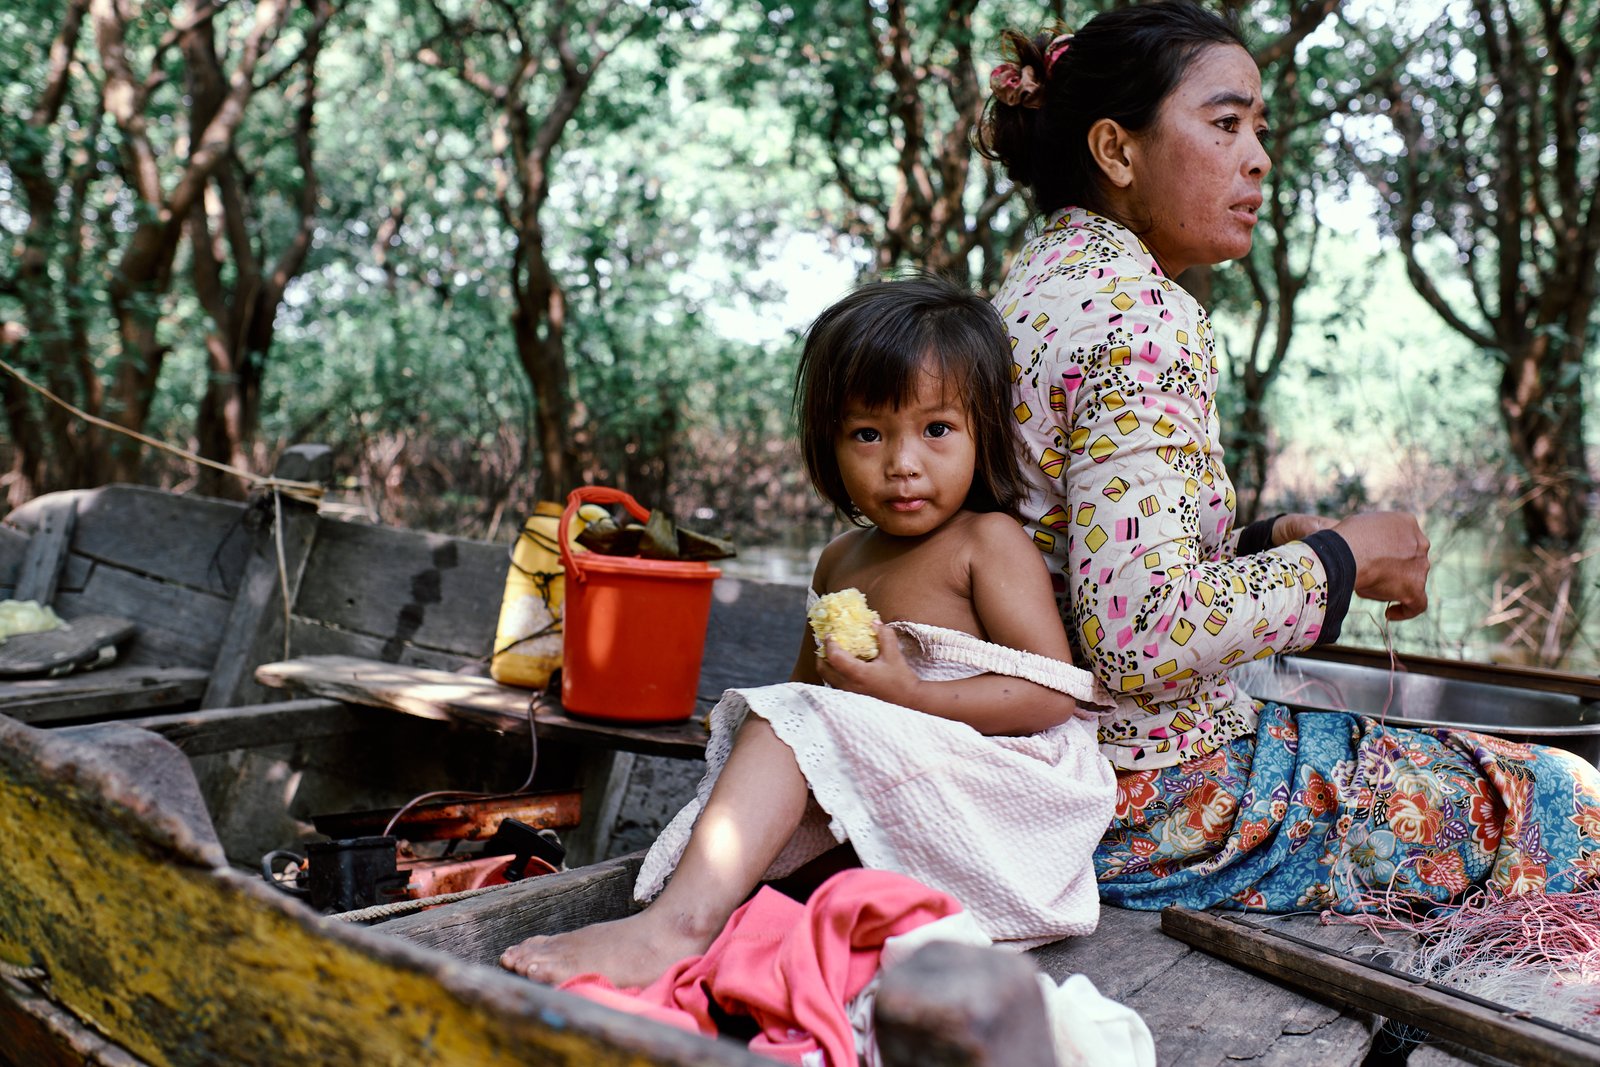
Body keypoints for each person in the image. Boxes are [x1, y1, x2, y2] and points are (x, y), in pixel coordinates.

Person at [978, 0, 1599, 912]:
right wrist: (1344, 560)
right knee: (1558, 804)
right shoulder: (1140, 317)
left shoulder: (1033, 285)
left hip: (1064, 771)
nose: (1259, 156)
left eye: (1258, 129)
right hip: (1157, 801)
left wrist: (1271, 538)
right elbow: (1141, 635)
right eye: (1225, 123)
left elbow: (1078, 565)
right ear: (1117, 151)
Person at [501, 276, 1116, 988]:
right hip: (899, 782)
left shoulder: (988, 540)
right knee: (776, 735)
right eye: (867, 433)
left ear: (984, 428)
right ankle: (719, 917)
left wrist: (908, 691)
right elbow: (803, 694)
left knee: (794, 727)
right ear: (829, 442)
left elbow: (1047, 698)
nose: (902, 462)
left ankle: (675, 927)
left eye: (936, 429)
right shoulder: (840, 559)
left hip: (999, 789)